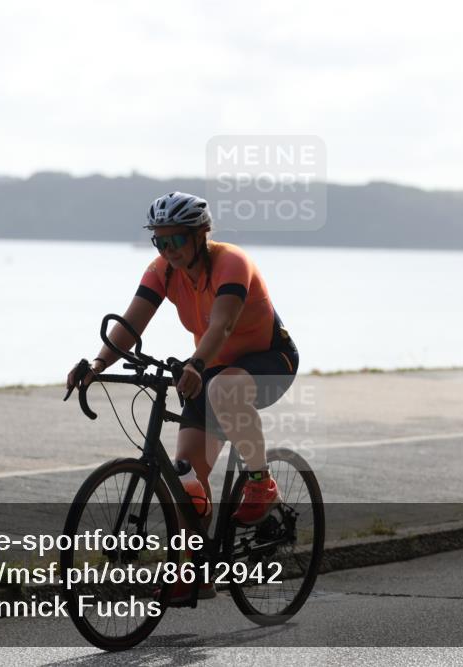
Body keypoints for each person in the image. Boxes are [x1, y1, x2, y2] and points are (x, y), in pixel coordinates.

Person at [66, 192, 299, 603]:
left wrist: (194, 364)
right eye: (159, 241)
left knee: (224, 387)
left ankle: (262, 482)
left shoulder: (232, 263)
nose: (167, 250)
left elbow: (223, 325)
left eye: (175, 240)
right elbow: (131, 322)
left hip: (269, 361)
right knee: (187, 478)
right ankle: (195, 573)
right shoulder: (162, 271)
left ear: (200, 234)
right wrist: (97, 365)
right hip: (208, 369)